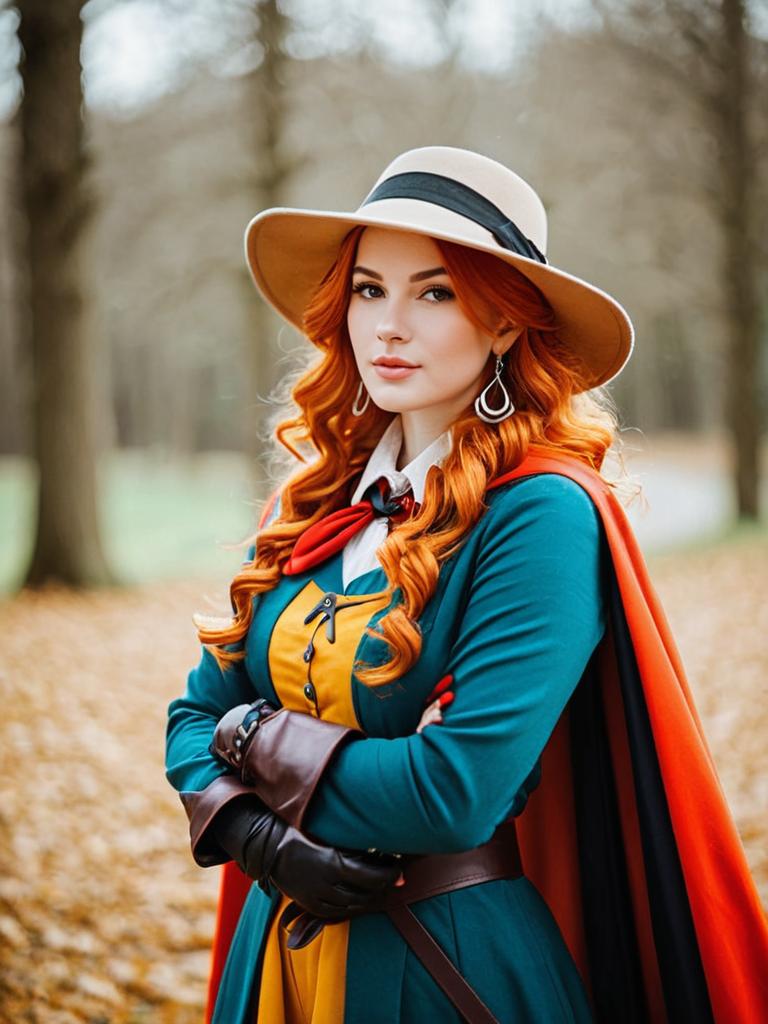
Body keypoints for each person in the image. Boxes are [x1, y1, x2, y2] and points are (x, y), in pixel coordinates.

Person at [165, 146, 768, 1024]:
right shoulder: (312, 504)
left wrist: (251, 736)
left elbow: (453, 793)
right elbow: (188, 721)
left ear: (507, 323)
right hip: (278, 956)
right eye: (369, 289)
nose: (389, 326)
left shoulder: (540, 516)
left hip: (442, 967)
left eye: (435, 292)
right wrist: (260, 841)